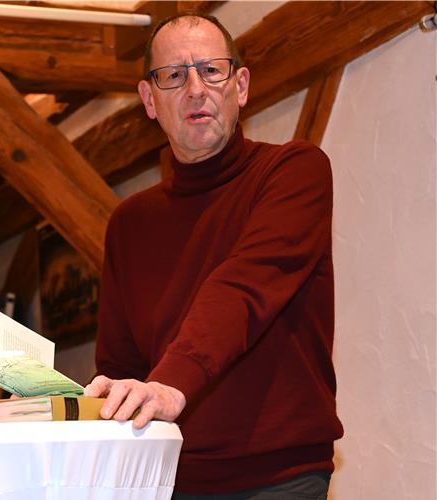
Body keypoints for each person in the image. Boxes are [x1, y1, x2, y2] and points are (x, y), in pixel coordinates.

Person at [84, 13, 344, 499]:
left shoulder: (293, 172)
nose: (195, 89)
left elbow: (244, 287)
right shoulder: (129, 223)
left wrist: (171, 384)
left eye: (211, 70)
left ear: (240, 86)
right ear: (149, 101)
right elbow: (120, 364)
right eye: (173, 75)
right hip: (165, 476)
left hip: (278, 476)